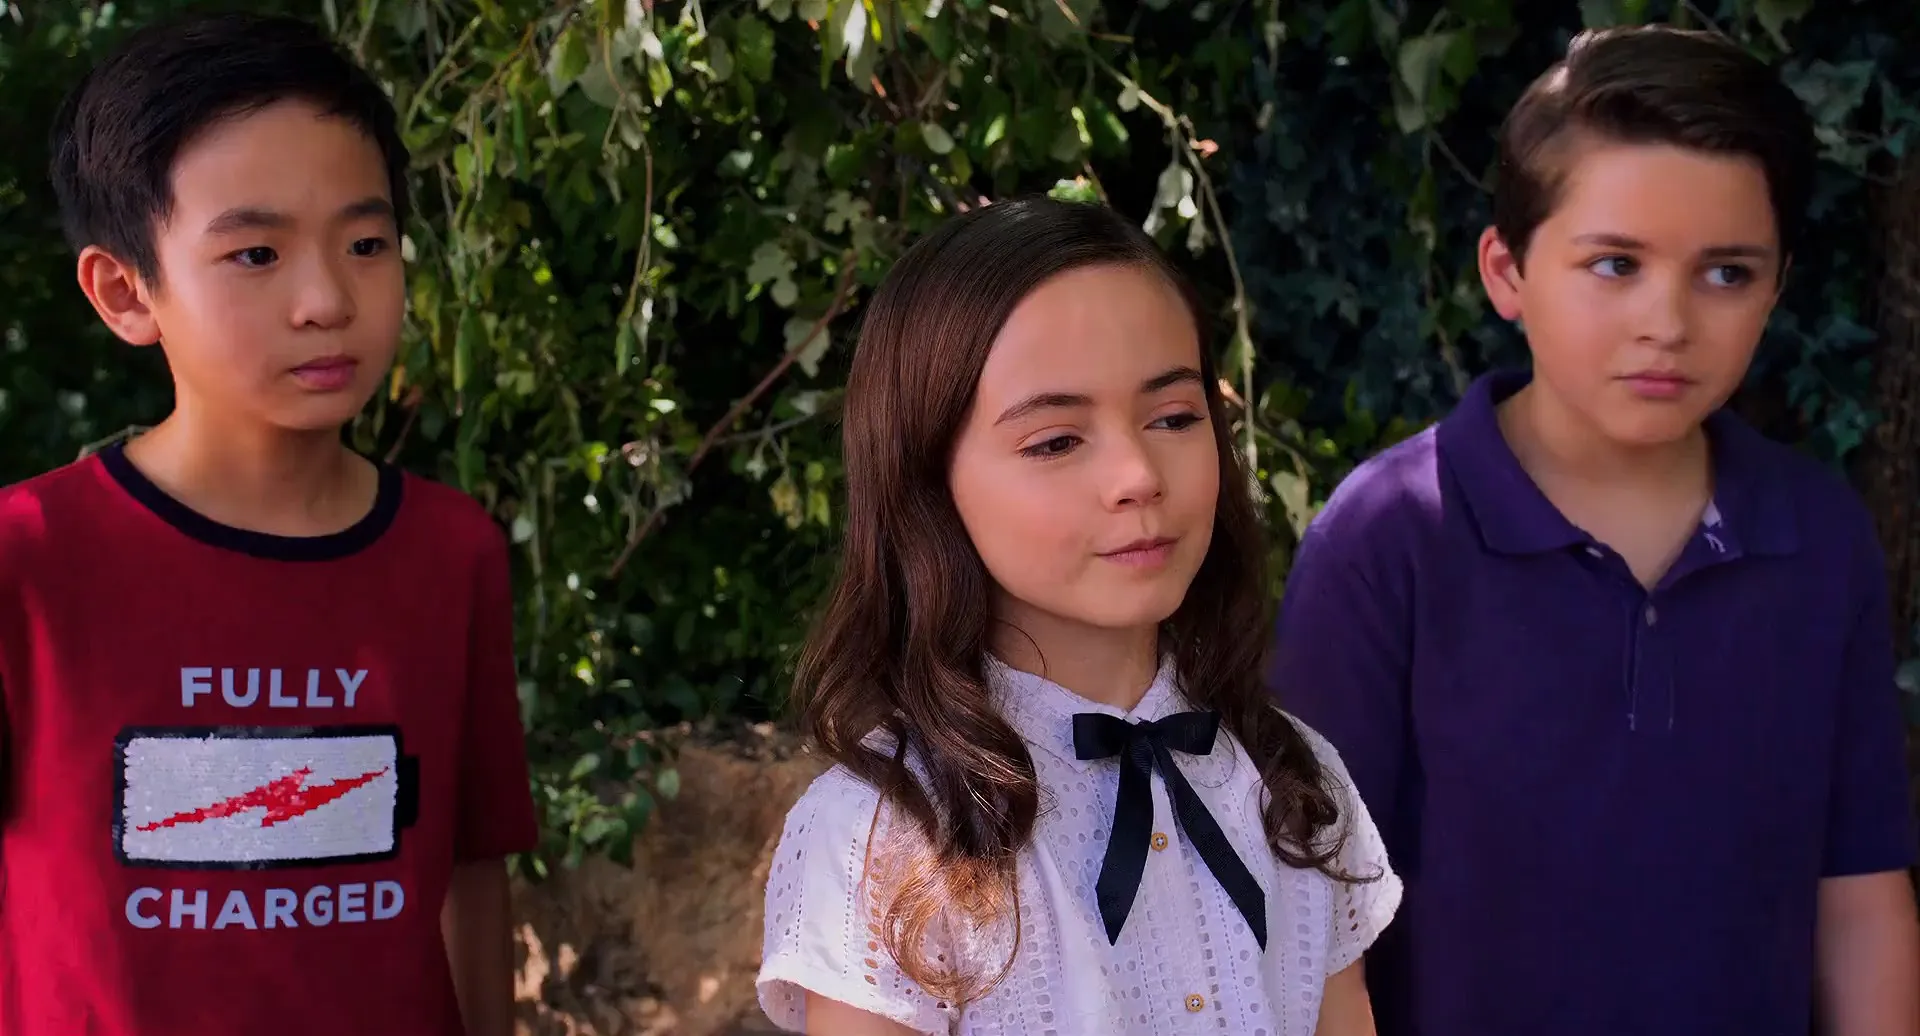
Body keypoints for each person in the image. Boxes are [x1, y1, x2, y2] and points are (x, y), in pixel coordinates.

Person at [1268, 24, 1920, 1036]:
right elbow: (1308, 906)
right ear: (1506, 271)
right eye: (1616, 264)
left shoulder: (1817, 538)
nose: (1669, 322)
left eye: (1727, 273)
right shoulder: (1388, 539)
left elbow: (1861, 891)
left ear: (1779, 285)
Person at [0, 12, 536, 1035]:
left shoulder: (449, 552)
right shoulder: (27, 558)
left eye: (367, 244)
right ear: (125, 291)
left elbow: (471, 869)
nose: (326, 299)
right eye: (255, 253)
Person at [754, 196, 1403, 1035]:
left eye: (1174, 418)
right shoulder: (883, 838)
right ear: (925, 480)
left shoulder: (1294, 778)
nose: (1138, 475)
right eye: (1057, 440)